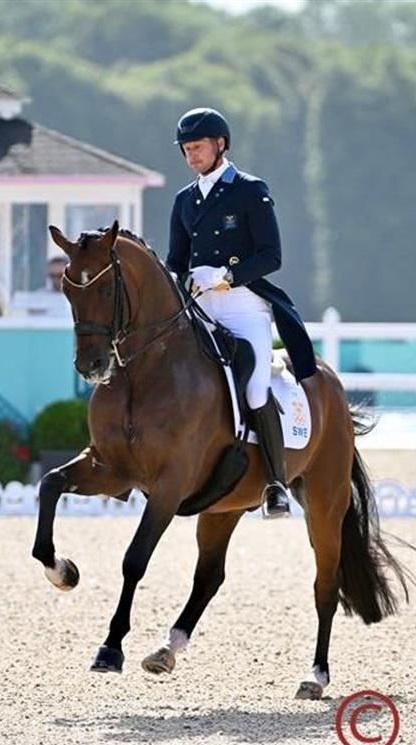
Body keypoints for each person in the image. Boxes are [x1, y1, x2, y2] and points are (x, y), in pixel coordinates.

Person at [165, 107, 317, 519]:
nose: (192, 155)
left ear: (220, 144)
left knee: (254, 389)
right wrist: (181, 281)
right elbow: (175, 261)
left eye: (198, 147)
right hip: (201, 308)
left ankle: (276, 484)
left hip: (243, 306)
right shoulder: (184, 200)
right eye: (186, 149)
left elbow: (271, 255)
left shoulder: (250, 190)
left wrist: (228, 276)